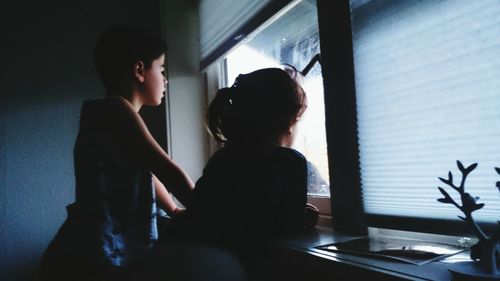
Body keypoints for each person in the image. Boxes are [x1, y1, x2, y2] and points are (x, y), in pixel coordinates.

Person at [39, 25, 194, 281]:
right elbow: (164, 167)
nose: (166, 80)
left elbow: (146, 171)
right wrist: (206, 210)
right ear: (139, 70)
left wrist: (174, 210)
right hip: (89, 253)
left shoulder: (110, 114)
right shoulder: (116, 109)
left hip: (87, 249)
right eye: (162, 70)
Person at [160, 67, 313, 280]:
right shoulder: (290, 162)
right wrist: (302, 215)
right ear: (290, 120)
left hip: (168, 255)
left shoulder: (223, 158)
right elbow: (287, 228)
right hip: (215, 267)